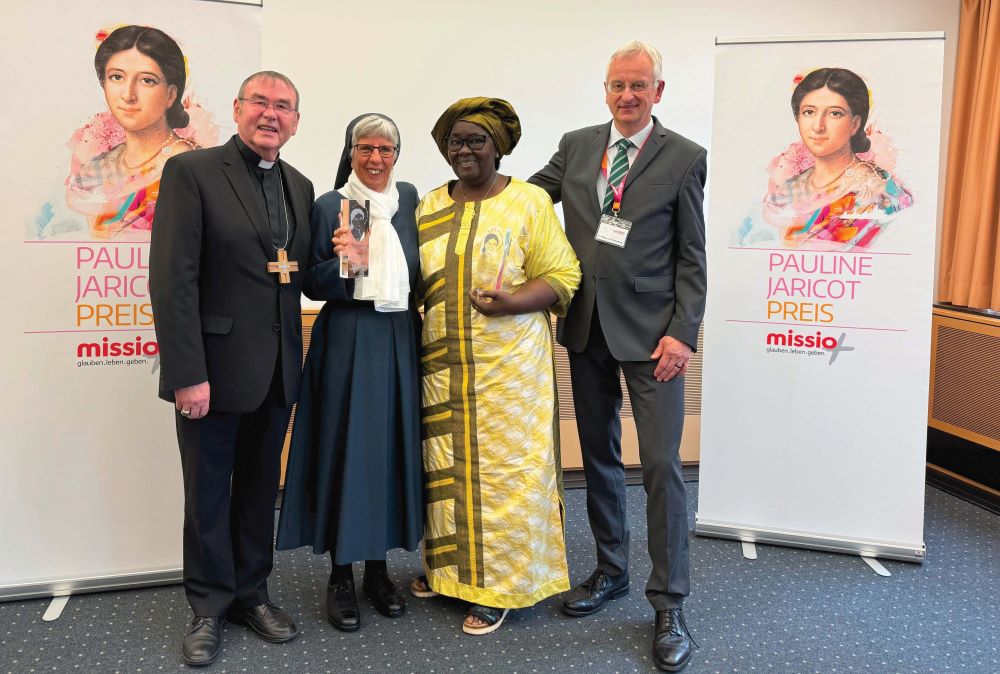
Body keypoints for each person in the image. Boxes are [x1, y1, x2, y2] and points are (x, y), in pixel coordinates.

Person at [529, 42, 706, 672]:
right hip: (586, 328)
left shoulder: (684, 157)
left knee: (661, 466)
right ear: (604, 90)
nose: (627, 96)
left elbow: (692, 255)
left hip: (655, 337)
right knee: (599, 456)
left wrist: (683, 332)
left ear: (659, 91)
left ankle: (669, 602)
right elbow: (525, 200)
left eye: (639, 85)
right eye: (616, 86)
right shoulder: (577, 145)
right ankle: (611, 572)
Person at [149, 71, 313, 667]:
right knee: (208, 494)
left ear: (296, 120)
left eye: (285, 107)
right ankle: (208, 605)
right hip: (211, 372)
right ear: (239, 109)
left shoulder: (300, 184)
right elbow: (173, 282)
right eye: (261, 104)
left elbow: (299, 275)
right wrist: (187, 372)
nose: (271, 115)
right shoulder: (191, 173)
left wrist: (352, 264)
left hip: (275, 372)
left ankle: (252, 593)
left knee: (255, 493)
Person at [411, 97, 581, 635]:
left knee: (505, 477)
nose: (465, 150)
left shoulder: (529, 202)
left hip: (510, 373)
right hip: (442, 365)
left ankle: (501, 588)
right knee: (444, 470)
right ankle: (447, 574)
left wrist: (512, 301)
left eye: (476, 140)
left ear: (498, 146)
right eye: (456, 141)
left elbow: (563, 275)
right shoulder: (428, 205)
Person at [276, 113, 422, 632]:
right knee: (344, 446)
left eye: (386, 149)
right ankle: (340, 572)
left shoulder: (409, 201)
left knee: (386, 451)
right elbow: (311, 284)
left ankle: (379, 569)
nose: (376, 158)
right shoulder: (330, 205)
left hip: (398, 339)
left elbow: (423, 273)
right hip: (347, 340)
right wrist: (346, 265)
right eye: (365, 148)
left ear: (397, 156)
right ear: (351, 151)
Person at [754, 67, 913, 250]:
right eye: (809, 112)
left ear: (855, 124)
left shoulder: (881, 191)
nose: (818, 126)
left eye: (835, 113)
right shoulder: (788, 189)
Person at [66, 25, 199, 239]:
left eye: (147, 80)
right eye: (117, 77)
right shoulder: (96, 168)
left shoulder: (193, 165)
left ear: (171, 94)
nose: (128, 95)